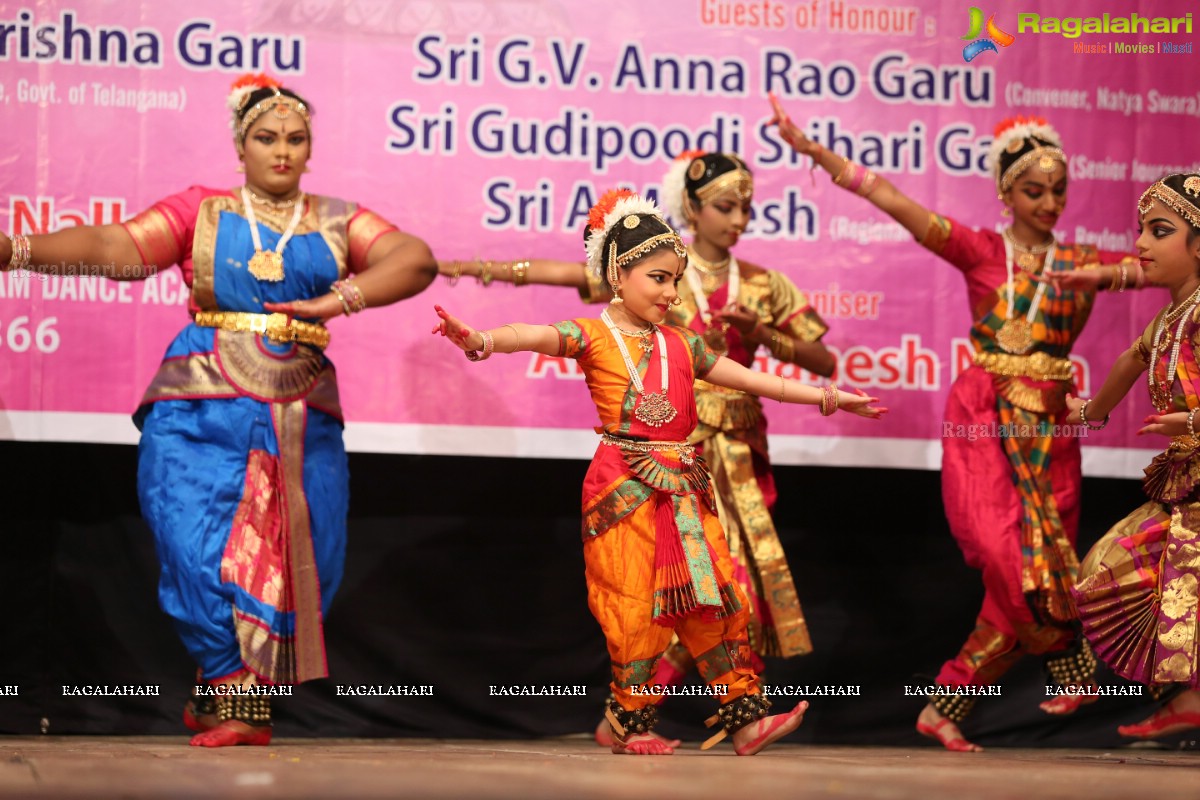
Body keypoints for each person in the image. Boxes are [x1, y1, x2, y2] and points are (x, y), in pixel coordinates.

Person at [0, 74, 437, 746]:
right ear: (241, 145)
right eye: (267, 138)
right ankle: (238, 700)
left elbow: (414, 259)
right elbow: (116, 247)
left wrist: (337, 300)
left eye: (296, 139)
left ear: (310, 148)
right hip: (199, 408)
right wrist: (16, 251)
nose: (282, 150)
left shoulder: (335, 219)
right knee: (193, 544)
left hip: (299, 414)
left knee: (306, 553)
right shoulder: (202, 212)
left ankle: (220, 695)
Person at [431, 189, 883, 755]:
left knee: (713, 596)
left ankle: (744, 721)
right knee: (635, 606)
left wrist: (830, 397)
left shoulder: (683, 344)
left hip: (686, 487)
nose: (671, 293)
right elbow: (534, 335)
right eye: (659, 279)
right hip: (623, 485)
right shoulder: (594, 336)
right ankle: (628, 725)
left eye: (676, 280)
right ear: (620, 275)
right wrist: (481, 341)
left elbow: (754, 380)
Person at [768, 98, 1145, 751]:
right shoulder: (980, 250)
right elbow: (895, 201)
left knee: (1042, 567)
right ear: (1005, 190)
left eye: (1059, 190)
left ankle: (945, 703)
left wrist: (1114, 272)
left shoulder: (1084, 260)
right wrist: (816, 154)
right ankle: (1066, 662)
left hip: (1050, 421)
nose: (1050, 201)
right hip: (985, 417)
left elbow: (1162, 270)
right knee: (1007, 558)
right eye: (1034, 190)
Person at [1069, 173, 1200, 740]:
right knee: (1107, 569)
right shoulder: (1173, 316)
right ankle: (1188, 700)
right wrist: (1091, 411)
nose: (1141, 244)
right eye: (1141, 230)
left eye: (1160, 231)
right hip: (1187, 482)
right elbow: (1130, 357)